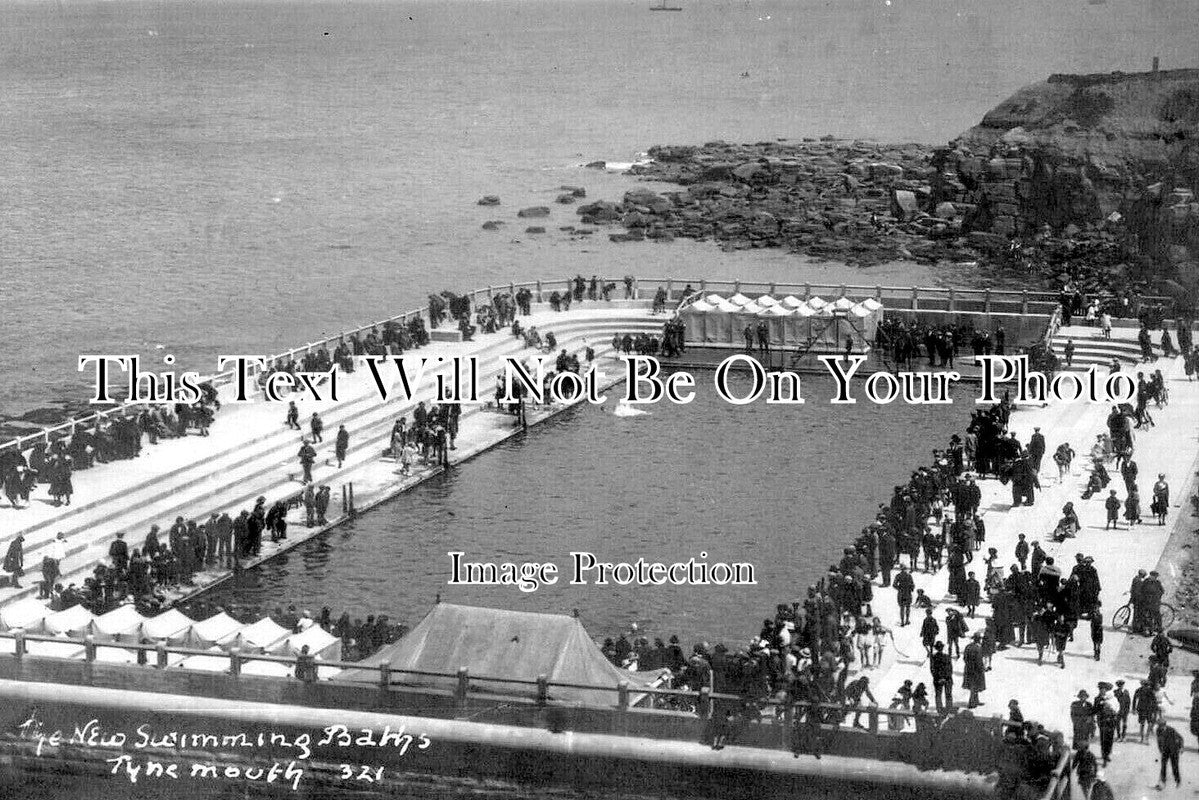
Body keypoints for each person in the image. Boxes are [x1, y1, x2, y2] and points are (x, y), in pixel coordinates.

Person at [1156, 720, 1183, 789]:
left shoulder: (1171, 730)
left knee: (1175, 767)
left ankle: (1178, 781)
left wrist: (1181, 747)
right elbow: (1159, 741)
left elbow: (1180, 738)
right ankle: (1162, 781)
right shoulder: (1158, 730)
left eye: (1161, 726)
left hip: (1174, 750)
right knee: (1163, 766)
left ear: (1164, 725)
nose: (1160, 727)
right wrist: (1160, 749)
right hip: (1165, 750)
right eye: (1159, 726)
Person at [962, 632, 986, 708]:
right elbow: (979, 661)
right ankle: (971, 703)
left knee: (973, 686)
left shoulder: (968, 647)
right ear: (979, 640)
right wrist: (981, 669)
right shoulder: (978, 648)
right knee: (975, 686)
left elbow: (965, 658)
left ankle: (976, 701)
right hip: (976, 671)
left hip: (968, 669)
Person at [930, 641, 953, 712]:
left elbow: (932, 670)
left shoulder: (933, 657)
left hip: (937, 679)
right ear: (942, 648)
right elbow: (950, 669)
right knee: (948, 694)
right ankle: (949, 709)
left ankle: (939, 709)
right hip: (947, 679)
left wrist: (939, 678)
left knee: (938, 695)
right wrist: (945, 678)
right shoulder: (947, 657)